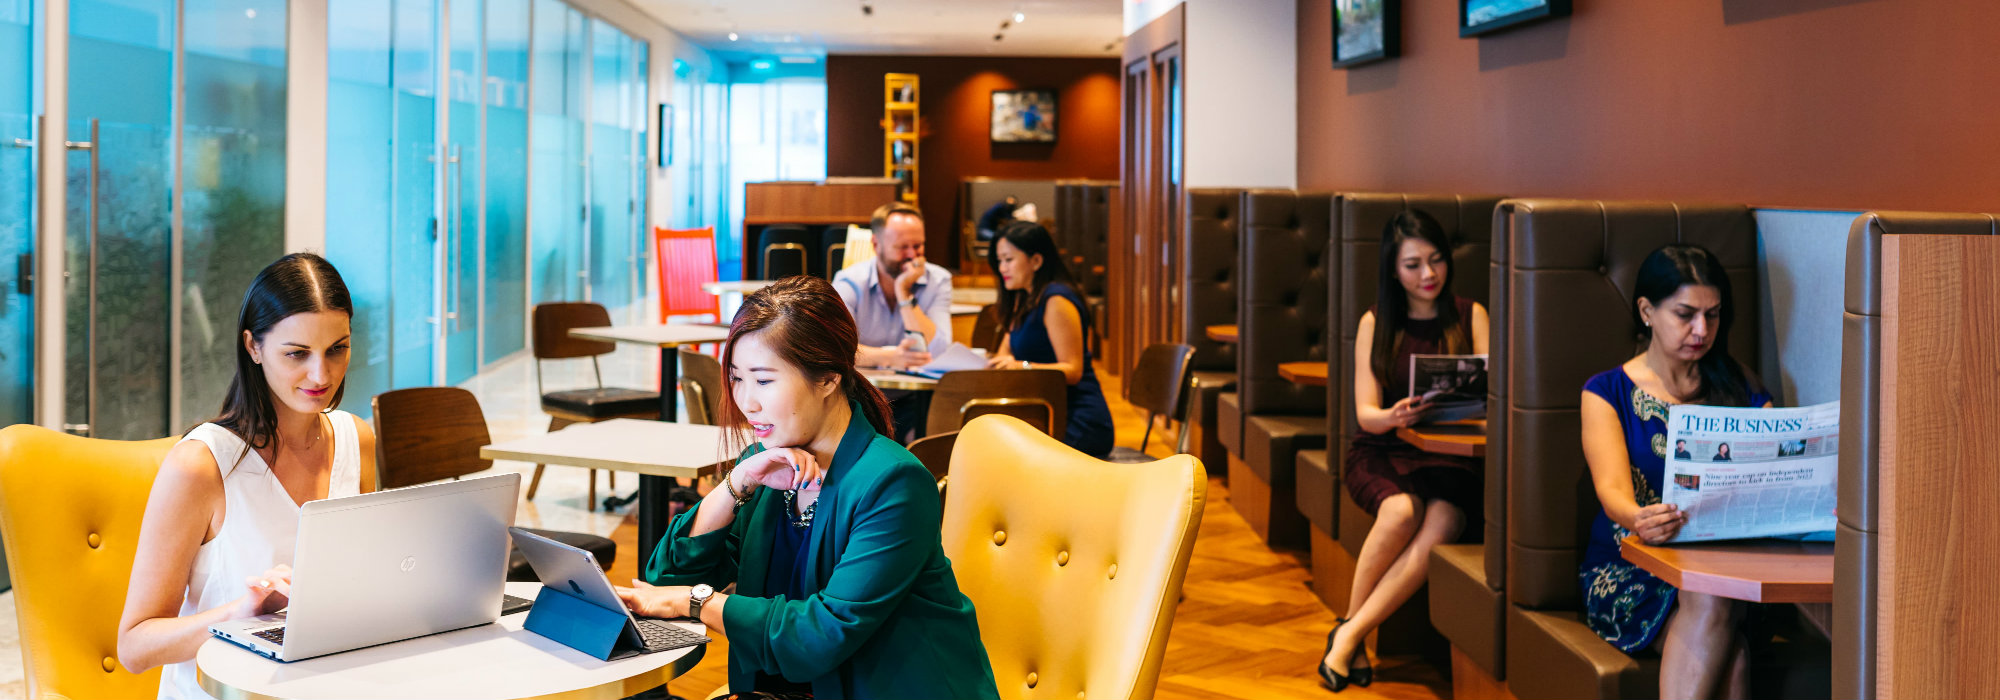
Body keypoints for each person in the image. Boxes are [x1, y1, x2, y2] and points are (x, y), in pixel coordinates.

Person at [620, 276, 1000, 700]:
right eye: (737, 378)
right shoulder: (766, 464)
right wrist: (736, 483)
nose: (747, 402)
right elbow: (666, 579)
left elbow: (823, 634)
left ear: (828, 379)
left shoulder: (894, 482)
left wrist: (696, 602)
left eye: (764, 381)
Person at [117, 253, 376, 700]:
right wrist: (241, 613)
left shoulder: (357, 440)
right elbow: (135, 647)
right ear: (253, 347)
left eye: (337, 349)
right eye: (297, 353)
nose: (322, 374)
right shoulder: (200, 465)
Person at [1577, 244, 1774, 699]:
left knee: (1714, 594)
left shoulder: (1741, 387)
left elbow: (1772, 472)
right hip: (1634, 565)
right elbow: (1612, 492)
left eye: (1713, 315)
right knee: (1732, 656)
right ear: (1647, 311)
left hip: (1728, 566)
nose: (1702, 330)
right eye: (1685, 315)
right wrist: (1639, 518)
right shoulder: (1607, 391)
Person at [1318, 211, 1488, 692]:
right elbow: (1366, 414)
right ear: (1393, 270)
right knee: (1400, 511)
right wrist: (1394, 416)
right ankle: (1353, 634)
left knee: (1444, 520)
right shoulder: (1376, 322)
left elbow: (1494, 399)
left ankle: (1348, 631)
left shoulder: (1472, 315)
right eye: (1413, 265)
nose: (1428, 274)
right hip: (1383, 447)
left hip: (1453, 457)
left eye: (1436, 260)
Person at [983, 220, 1114, 458]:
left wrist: (1021, 366)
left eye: (1009, 259)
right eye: (999, 261)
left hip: (1077, 420)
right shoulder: (1022, 296)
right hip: (1042, 414)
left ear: (1036, 261)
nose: (1002, 268)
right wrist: (1002, 362)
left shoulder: (1056, 301)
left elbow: (1073, 370)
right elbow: (1005, 352)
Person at [833, 202, 954, 442]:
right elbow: (836, 349)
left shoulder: (938, 280)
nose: (912, 256)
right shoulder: (849, 282)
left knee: (935, 436)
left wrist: (904, 293)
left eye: (918, 246)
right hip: (859, 398)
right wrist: (889, 357)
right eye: (902, 247)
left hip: (916, 401)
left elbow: (939, 349)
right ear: (876, 245)